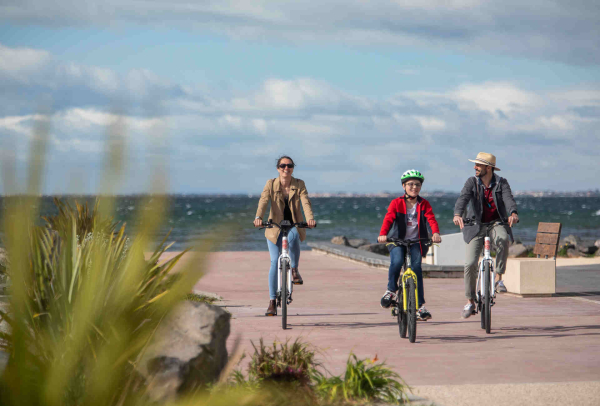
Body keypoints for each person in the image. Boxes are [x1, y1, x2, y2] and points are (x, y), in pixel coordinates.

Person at [453, 152, 519, 319]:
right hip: (475, 225)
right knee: (469, 264)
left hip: (496, 222)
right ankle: (470, 301)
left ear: (488, 168)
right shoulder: (471, 182)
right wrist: (457, 214)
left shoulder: (501, 183)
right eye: (475, 164)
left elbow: (508, 199)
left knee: (503, 239)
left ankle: (498, 278)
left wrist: (513, 212)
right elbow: (463, 198)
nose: (475, 167)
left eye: (478, 165)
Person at [254, 155, 316, 317]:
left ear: (293, 168)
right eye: (282, 166)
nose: (286, 169)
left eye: (289, 166)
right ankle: (272, 301)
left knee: (294, 237)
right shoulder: (270, 184)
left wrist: (309, 218)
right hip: (274, 226)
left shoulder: (299, 184)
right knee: (275, 262)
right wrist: (258, 217)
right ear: (278, 168)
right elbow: (263, 200)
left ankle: (294, 269)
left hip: (294, 223)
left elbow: (305, 202)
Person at [378, 169, 442, 321]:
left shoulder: (424, 203)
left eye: (418, 185)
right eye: (411, 184)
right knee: (397, 261)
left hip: (416, 242)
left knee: (417, 269)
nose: (414, 187)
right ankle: (391, 290)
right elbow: (388, 219)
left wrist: (435, 233)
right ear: (404, 186)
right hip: (397, 241)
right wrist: (383, 234)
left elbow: (431, 219)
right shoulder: (396, 203)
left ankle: (419, 306)